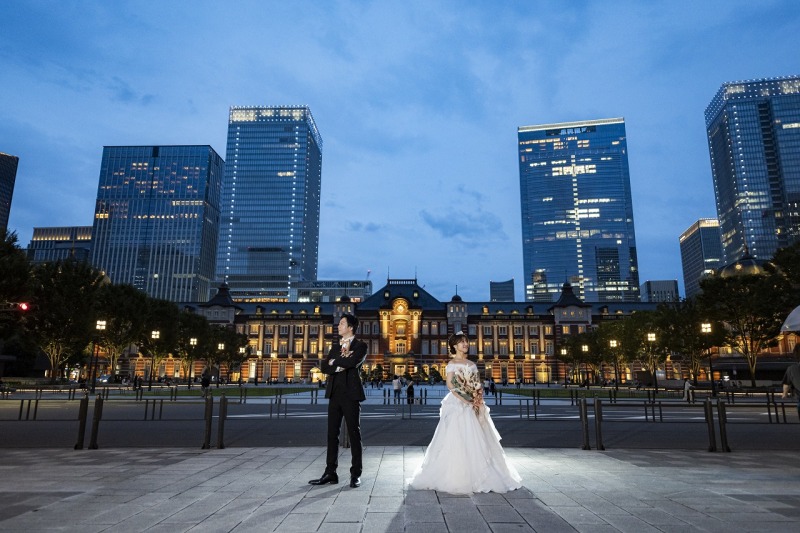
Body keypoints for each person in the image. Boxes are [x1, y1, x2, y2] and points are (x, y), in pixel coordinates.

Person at [408, 332, 522, 494]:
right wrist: (466, 398)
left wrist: (477, 395)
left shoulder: (471, 364)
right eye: (462, 342)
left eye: (466, 342)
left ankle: (480, 471)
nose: (465, 344)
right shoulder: (452, 364)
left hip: (472, 402)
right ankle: (457, 474)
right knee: (456, 437)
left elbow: (476, 383)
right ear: (455, 346)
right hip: (457, 403)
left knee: (478, 437)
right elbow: (450, 384)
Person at [309, 313, 368, 488]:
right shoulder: (335, 347)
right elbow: (326, 367)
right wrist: (339, 362)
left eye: (341, 323)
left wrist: (338, 362)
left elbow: (353, 363)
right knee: (331, 435)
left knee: (354, 435)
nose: (338, 326)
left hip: (351, 394)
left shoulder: (361, 346)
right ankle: (330, 472)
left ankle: (355, 474)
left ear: (350, 327)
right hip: (334, 394)